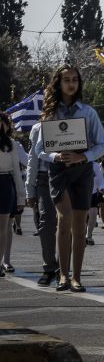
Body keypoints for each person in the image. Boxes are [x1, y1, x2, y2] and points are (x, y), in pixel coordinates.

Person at [27, 64, 104, 292]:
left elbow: (102, 144)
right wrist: (55, 156)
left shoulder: (88, 112)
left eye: (75, 80)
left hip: (82, 171)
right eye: (66, 80)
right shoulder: (50, 114)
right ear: (58, 83)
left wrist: (83, 157)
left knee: (79, 226)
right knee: (64, 220)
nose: (71, 84)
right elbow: (39, 149)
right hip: (59, 171)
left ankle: (76, 277)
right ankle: (62, 275)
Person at [0, 113, 26, 277]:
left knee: (3, 227)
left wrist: (21, 196)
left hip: (5, 184)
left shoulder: (12, 144)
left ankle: (3, 261)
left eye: (2, 123)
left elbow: (17, 171)